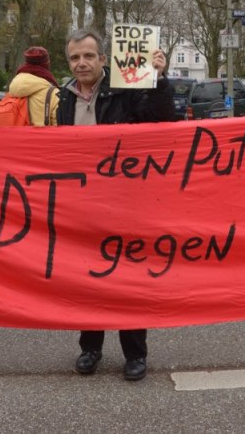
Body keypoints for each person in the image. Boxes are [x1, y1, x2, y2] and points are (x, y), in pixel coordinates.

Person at [57, 29, 174, 381]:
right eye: (75, 57)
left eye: (88, 56)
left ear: (103, 59)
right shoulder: (62, 98)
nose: (81, 63)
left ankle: (135, 353)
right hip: (83, 207)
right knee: (88, 281)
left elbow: (162, 122)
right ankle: (90, 348)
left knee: (128, 280)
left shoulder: (127, 90)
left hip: (126, 204)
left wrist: (158, 78)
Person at [0, 46, 60, 126]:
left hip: (14, 137)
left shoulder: (13, 89)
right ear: (46, 64)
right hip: (42, 137)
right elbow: (60, 129)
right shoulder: (53, 94)